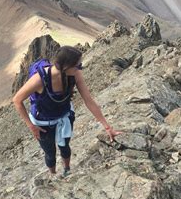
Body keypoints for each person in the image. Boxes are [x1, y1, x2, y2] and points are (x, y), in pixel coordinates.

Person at [13, 46, 121, 177]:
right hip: (42, 124)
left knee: (65, 147)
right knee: (50, 153)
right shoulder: (39, 79)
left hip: (64, 116)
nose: (80, 68)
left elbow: (88, 100)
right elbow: (17, 100)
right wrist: (31, 126)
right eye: (78, 65)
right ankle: (53, 175)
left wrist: (107, 127)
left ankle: (67, 170)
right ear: (66, 66)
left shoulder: (74, 74)